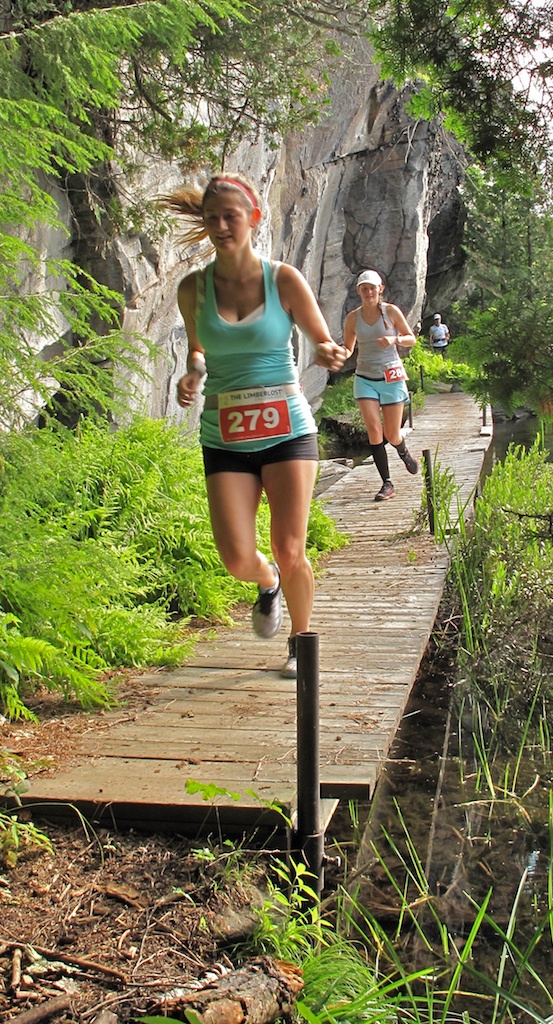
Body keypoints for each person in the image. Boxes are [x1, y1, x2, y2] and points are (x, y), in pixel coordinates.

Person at [162, 173, 347, 679]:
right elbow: (198, 349)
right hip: (224, 434)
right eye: (212, 218)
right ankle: (267, 584)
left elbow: (319, 338)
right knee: (237, 559)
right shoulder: (193, 289)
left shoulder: (283, 279)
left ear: (254, 219)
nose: (221, 226)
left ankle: (300, 644)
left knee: (291, 548)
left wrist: (327, 351)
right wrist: (192, 374)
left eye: (231, 217)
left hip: (287, 429)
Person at [343, 269, 419, 501]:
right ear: (359, 291)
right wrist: (336, 353)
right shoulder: (353, 318)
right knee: (374, 431)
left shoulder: (390, 312)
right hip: (364, 378)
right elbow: (348, 348)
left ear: (380, 289)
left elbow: (411, 339)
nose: (368, 292)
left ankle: (402, 451)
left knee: (392, 434)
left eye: (372, 288)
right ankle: (387, 483)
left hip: (391, 377)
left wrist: (394, 339)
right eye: (364, 288)